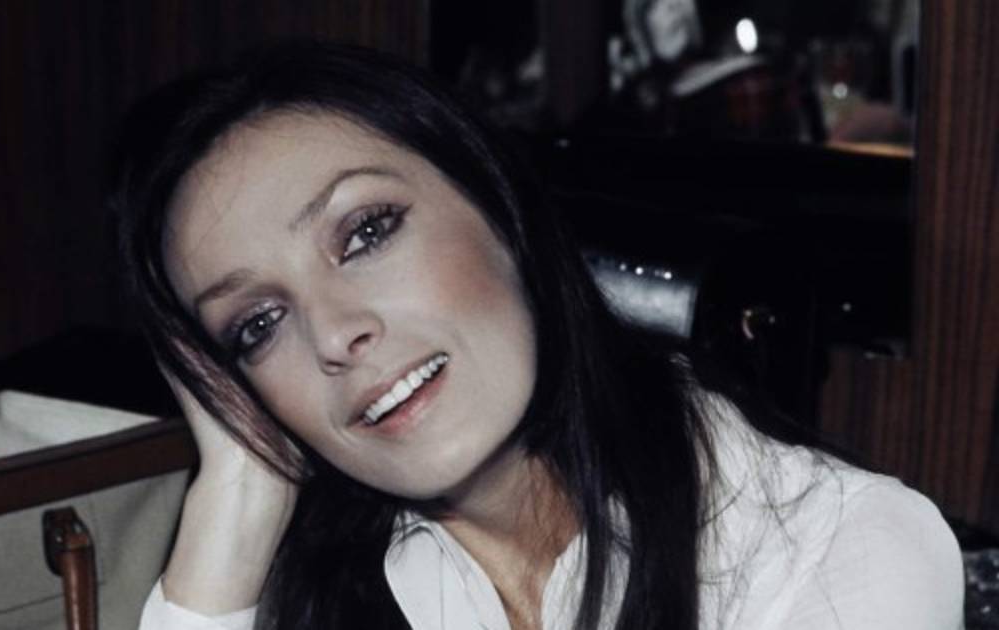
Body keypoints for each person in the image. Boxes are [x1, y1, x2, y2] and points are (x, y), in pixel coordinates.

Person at [110, 42, 962, 630]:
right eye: (257, 325)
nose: (333, 334)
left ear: (499, 209)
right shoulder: (328, 582)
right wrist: (234, 508)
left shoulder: (844, 550)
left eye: (366, 232)